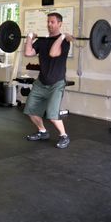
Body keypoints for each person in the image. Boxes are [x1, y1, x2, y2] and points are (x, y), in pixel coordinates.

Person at [24, 12, 73, 149]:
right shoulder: (42, 41)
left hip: (56, 83)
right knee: (31, 110)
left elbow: (53, 53)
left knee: (52, 114)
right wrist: (29, 37)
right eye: (48, 22)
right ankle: (42, 131)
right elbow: (28, 53)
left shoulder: (65, 42)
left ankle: (64, 135)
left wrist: (63, 36)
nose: (49, 25)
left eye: (52, 22)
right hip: (41, 82)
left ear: (59, 24)